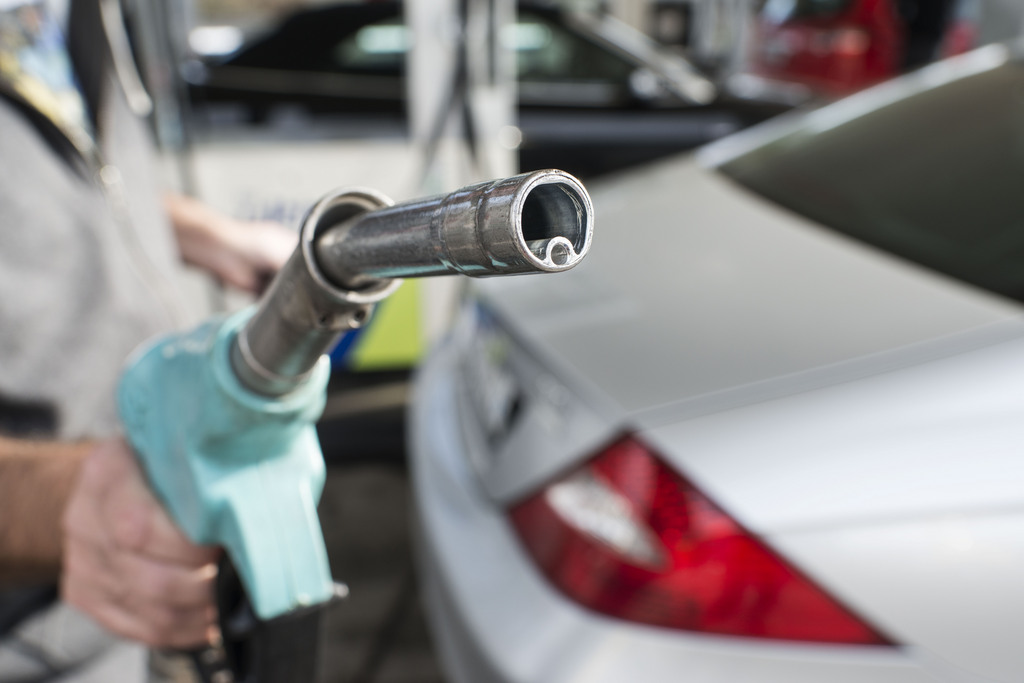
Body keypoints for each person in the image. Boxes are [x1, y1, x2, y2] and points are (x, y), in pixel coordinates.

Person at [0, 0, 297, 680]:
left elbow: (79, 162)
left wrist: (204, 234)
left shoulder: (68, 17)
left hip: (130, 613)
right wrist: (67, 506)